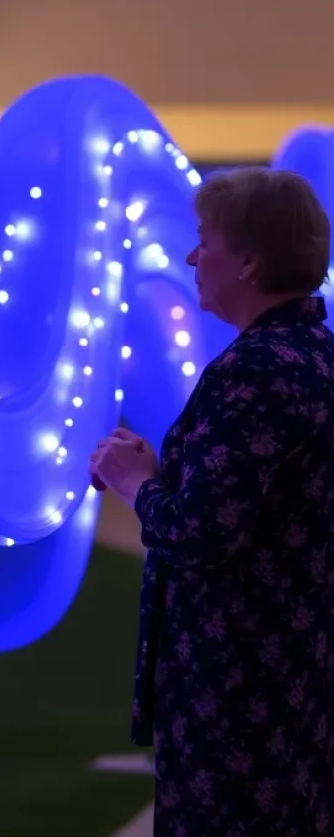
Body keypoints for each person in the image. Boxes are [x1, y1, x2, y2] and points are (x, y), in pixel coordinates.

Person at [90, 168, 334, 836]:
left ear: (250, 261)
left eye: (206, 240)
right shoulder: (315, 353)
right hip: (296, 678)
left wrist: (133, 483)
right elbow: (266, 505)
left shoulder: (256, 371)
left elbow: (201, 535)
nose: (193, 257)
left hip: (237, 698)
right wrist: (163, 471)